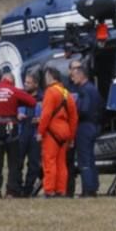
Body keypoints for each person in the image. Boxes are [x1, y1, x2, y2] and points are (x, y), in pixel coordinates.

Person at [0, 72, 35, 198]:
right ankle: (11, 191)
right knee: (13, 162)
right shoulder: (14, 91)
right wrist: (17, 104)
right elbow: (31, 102)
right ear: (11, 81)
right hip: (11, 127)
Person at [38, 67, 77, 198]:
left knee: (49, 162)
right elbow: (74, 117)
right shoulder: (67, 93)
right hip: (65, 133)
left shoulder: (50, 92)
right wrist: (71, 137)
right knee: (61, 163)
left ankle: (49, 190)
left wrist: (40, 131)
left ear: (50, 77)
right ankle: (61, 190)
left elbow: (46, 115)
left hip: (52, 133)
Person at [69, 60, 104, 197]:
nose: (73, 79)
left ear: (82, 75)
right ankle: (93, 186)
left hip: (84, 126)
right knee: (90, 157)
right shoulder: (94, 89)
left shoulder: (84, 91)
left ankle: (88, 189)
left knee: (84, 159)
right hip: (94, 125)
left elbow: (83, 110)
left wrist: (73, 112)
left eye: (75, 76)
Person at [16, 71, 42, 197]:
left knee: (33, 164)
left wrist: (41, 119)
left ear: (36, 84)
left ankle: (28, 189)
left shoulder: (43, 98)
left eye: (29, 82)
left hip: (35, 133)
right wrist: (17, 115)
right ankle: (18, 187)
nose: (25, 85)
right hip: (22, 132)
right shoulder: (20, 96)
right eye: (25, 82)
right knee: (17, 162)